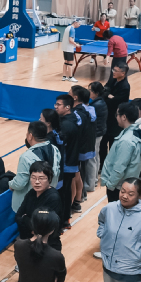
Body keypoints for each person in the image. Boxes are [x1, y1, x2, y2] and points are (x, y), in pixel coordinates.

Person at [100, 102, 141, 204]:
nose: (116, 117)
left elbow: (119, 168)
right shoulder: (136, 132)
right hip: (125, 185)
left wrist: (110, 185)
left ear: (124, 117)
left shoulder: (126, 141)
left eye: (117, 115)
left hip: (119, 188)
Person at [10, 121, 60, 213]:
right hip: (49, 195)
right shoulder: (55, 149)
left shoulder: (26, 157)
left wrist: (10, 184)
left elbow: (19, 183)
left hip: (30, 203)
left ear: (30, 136)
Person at [16, 160, 64, 253]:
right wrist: (31, 226)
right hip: (28, 242)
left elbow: (44, 228)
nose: (37, 182)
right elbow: (18, 216)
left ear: (49, 179)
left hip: (47, 246)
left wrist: (25, 218)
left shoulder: (53, 198)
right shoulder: (31, 193)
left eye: (41, 178)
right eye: (33, 178)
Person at [54, 94, 82, 227]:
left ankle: (62, 220)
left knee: (63, 192)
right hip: (72, 160)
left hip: (66, 162)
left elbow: (61, 143)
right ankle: (66, 218)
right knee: (66, 191)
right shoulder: (75, 118)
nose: (55, 107)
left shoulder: (65, 125)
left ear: (67, 107)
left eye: (58, 105)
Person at [69, 86, 96, 212]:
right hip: (87, 147)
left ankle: (75, 202)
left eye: (69, 92)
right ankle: (81, 197)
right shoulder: (89, 110)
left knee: (75, 175)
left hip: (79, 149)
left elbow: (77, 132)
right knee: (80, 172)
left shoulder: (77, 113)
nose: (67, 94)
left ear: (75, 97)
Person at [101, 63, 131, 164]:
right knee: (103, 143)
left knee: (113, 143)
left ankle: (112, 164)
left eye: (116, 71)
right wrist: (108, 95)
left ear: (123, 73)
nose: (113, 72)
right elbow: (103, 91)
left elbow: (115, 102)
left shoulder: (125, 86)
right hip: (107, 117)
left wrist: (108, 96)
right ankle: (102, 164)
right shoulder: (113, 80)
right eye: (113, 70)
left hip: (116, 120)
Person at [85, 81, 108, 194]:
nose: (88, 92)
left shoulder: (96, 105)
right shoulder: (100, 102)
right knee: (96, 156)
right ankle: (94, 180)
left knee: (91, 159)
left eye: (90, 90)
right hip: (100, 133)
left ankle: (90, 184)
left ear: (96, 93)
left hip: (95, 134)